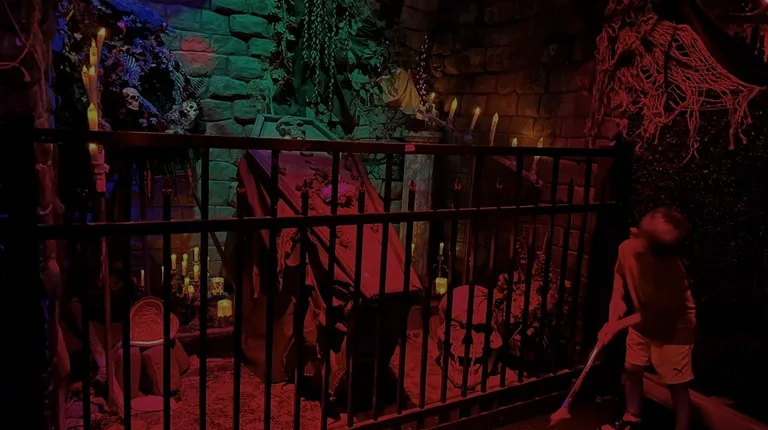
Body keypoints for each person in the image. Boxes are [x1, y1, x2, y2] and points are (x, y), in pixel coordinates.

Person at [598, 208, 696, 430]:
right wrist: (616, 303)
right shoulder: (627, 248)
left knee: (676, 384)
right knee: (632, 368)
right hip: (641, 321)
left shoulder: (671, 270)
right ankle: (631, 418)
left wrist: (615, 326)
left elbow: (655, 312)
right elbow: (619, 274)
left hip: (674, 327)